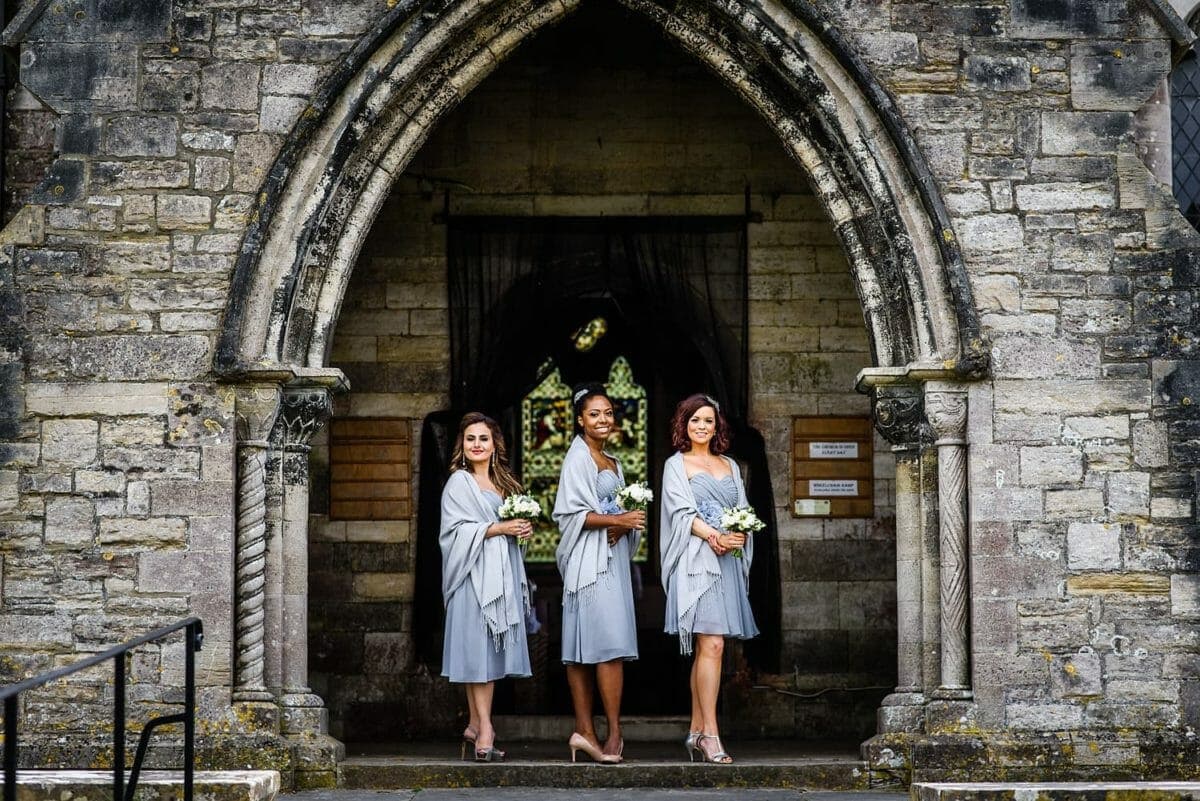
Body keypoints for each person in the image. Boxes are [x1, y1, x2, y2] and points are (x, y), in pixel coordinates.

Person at [659, 394, 759, 764]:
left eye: (709, 421)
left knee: (710, 648)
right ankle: (712, 736)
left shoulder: (730, 465)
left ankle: (696, 730)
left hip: (728, 561)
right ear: (683, 424)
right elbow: (680, 511)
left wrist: (739, 533)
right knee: (713, 645)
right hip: (698, 561)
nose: (702, 426)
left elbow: (743, 511)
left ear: (718, 426)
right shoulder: (676, 465)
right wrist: (713, 536)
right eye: (695, 420)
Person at [553, 384, 646, 763]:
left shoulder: (613, 462)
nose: (603, 419)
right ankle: (587, 730)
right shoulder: (577, 459)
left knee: (610, 645)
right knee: (585, 647)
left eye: (608, 413)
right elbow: (569, 514)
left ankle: (613, 731)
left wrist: (626, 525)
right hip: (587, 563)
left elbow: (618, 514)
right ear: (580, 420)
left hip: (613, 561)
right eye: (594, 414)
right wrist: (617, 518)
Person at [439, 412, 534, 762]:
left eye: (483, 439)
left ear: (495, 445)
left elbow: (510, 532)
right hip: (472, 576)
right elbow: (454, 533)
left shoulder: (504, 484)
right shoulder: (458, 483)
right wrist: (498, 528)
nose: (477, 445)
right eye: (470, 439)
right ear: (462, 447)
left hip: (501, 575)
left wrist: (521, 531)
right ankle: (487, 728)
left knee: (487, 653)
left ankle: (476, 724)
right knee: (476, 652)